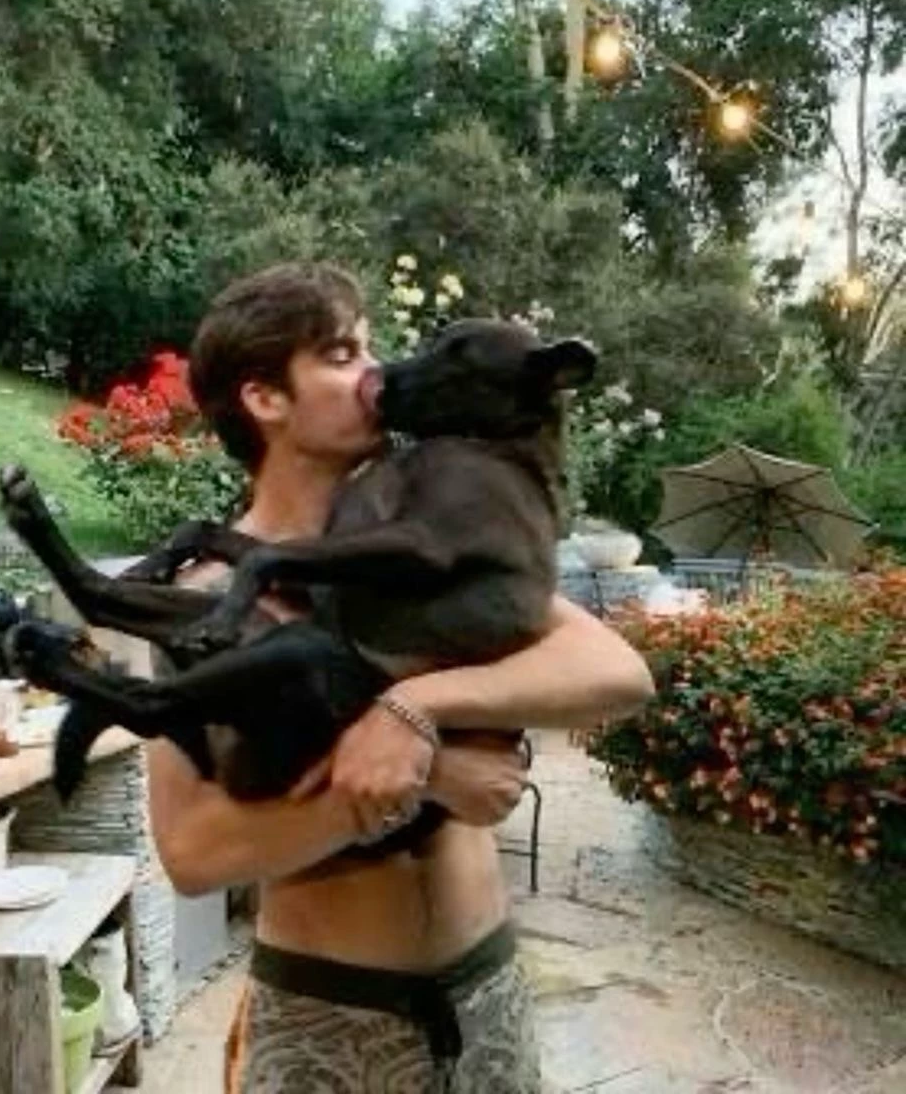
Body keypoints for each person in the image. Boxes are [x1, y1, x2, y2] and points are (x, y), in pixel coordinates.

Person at [146, 262, 654, 1093]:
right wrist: (423, 776)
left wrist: (415, 706)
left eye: (370, 347)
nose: (375, 372)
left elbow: (617, 671)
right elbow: (192, 852)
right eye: (342, 355)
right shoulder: (206, 598)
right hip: (326, 1017)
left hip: (486, 995)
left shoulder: (429, 535)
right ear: (265, 398)